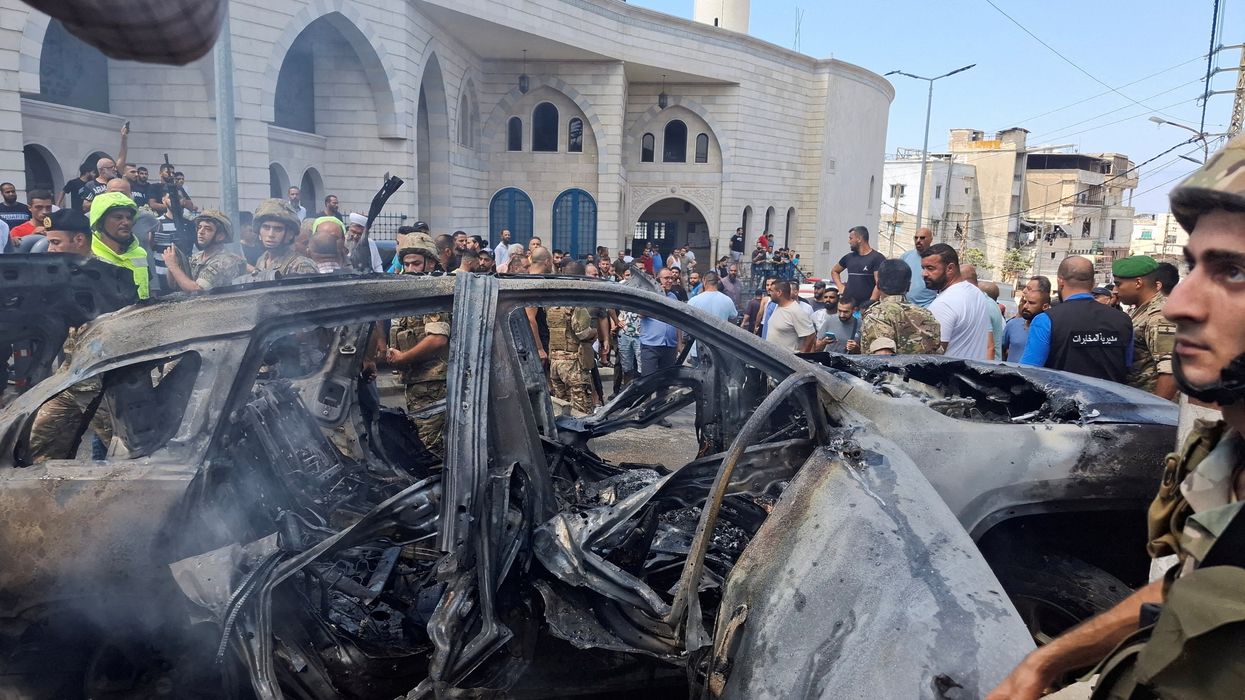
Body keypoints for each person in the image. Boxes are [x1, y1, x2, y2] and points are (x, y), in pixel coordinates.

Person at [989, 133, 1245, 700]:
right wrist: (1047, 662)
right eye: (1193, 266)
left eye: (1233, 272)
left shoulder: (1049, 322)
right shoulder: (1221, 458)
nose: (1180, 304)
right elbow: (1186, 590)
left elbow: (1029, 377)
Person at [1018, 256, 1132, 383]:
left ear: (1060, 282)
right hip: (1112, 401)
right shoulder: (1123, 320)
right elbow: (1129, 367)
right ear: (1092, 283)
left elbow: (1028, 373)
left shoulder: (1046, 320)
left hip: (1062, 400)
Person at [386, 232, 451, 456]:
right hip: (417, 383)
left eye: (416, 263)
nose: (411, 268)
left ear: (430, 262)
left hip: (434, 385)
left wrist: (403, 358)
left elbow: (437, 339)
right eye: (406, 264)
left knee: (432, 450)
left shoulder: (434, 291)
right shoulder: (414, 292)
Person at [1113, 255, 1179, 401]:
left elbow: (1170, 372)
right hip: (1140, 401)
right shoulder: (1142, 310)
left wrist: (1158, 413)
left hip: (1151, 408)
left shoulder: (1159, 316)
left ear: (1138, 283)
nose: (1115, 290)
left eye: (1119, 284)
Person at [920, 244, 994, 359]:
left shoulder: (944, 303)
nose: (924, 274)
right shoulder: (977, 293)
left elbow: (931, 355)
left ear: (950, 268)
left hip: (948, 375)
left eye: (930, 268)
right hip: (972, 374)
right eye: (923, 268)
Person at [546, 262, 598, 414]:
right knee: (581, 409)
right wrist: (594, 333)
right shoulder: (576, 303)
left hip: (555, 362)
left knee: (561, 407)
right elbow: (581, 333)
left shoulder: (553, 302)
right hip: (573, 364)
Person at [860, 259, 941, 355]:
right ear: (908, 286)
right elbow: (938, 352)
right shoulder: (926, 314)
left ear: (878, 284)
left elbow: (883, 356)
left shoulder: (877, 314)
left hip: (893, 369)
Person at [163, 210, 246, 291]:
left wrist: (173, 266)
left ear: (220, 236)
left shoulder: (226, 261)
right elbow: (174, 285)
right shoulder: (197, 257)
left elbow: (197, 290)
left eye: (208, 229)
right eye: (199, 227)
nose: (201, 232)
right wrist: (173, 264)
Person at [88, 192, 149, 299]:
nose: (126, 222)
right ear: (100, 222)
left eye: (129, 218)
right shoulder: (88, 255)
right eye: (118, 217)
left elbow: (149, 292)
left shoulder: (140, 253)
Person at [253, 199, 317, 276]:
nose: (270, 234)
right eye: (266, 227)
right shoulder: (262, 260)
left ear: (290, 234)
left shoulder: (301, 266)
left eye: (278, 229)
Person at [639, 268, 682, 375]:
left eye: (671, 278)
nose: (670, 281)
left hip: (669, 345)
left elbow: (678, 322)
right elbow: (641, 314)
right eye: (667, 278)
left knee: (666, 381)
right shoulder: (649, 295)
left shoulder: (673, 297)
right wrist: (657, 296)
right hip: (651, 344)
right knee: (648, 380)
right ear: (658, 279)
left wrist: (679, 343)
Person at [831, 226, 886, 304]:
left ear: (859, 239)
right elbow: (834, 271)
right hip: (849, 307)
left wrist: (870, 302)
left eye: (851, 238)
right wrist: (840, 286)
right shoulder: (849, 257)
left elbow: (879, 283)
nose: (849, 242)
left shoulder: (877, 258)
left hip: (866, 307)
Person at [962, 264, 1004, 360]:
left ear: (965, 282)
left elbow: (989, 347)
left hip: (987, 364)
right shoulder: (988, 301)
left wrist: (986, 371)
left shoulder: (982, 304)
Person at [765, 280, 816, 353]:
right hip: (774, 359)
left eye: (771, 291)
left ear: (779, 293)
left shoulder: (795, 311)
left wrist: (802, 356)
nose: (769, 293)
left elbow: (811, 335)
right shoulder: (777, 307)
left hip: (787, 361)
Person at [1002, 288, 1048, 362]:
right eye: (1025, 302)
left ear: (1045, 307)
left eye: (1031, 303)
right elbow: (1000, 349)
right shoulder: (1012, 324)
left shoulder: (1049, 330)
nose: (1025, 306)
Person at [900, 226, 938, 307]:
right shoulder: (906, 256)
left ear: (931, 239)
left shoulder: (937, 258)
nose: (918, 241)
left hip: (928, 306)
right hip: (907, 307)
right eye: (916, 238)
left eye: (922, 238)